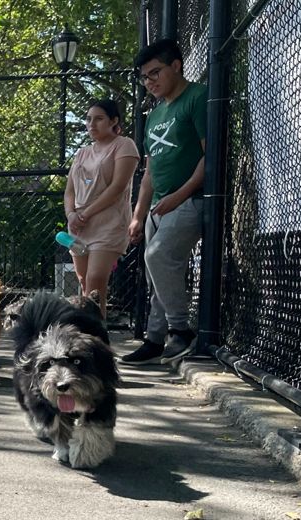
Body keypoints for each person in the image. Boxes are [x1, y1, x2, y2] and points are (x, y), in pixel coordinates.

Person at [122, 38, 208, 365]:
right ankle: (155, 339)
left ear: (176, 65)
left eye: (155, 73)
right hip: (158, 206)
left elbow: (209, 155)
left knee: (158, 258)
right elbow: (150, 172)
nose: (150, 82)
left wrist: (179, 196)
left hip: (191, 200)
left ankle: (180, 330)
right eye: (145, 77)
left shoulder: (198, 98)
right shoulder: (155, 115)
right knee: (155, 272)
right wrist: (137, 215)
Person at [63, 99, 139, 319]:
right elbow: (69, 191)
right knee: (84, 280)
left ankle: (96, 336)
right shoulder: (82, 153)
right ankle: (90, 331)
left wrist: (85, 213)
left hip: (108, 223)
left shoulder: (124, 145)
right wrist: (71, 215)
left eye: (98, 119)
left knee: (96, 280)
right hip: (78, 226)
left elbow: (118, 187)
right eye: (88, 119)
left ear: (114, 121)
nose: (91, 124)